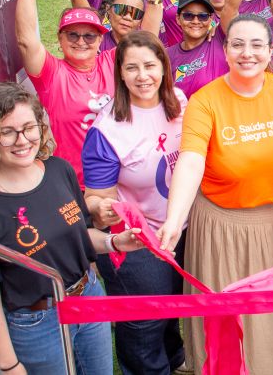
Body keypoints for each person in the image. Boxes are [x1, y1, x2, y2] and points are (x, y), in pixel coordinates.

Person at [157, 15, 273, 374]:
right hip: (223, 227)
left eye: (256, 45)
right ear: (225, 49)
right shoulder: (205, 100)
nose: (246, 53)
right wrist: (174, 220)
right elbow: (191, 161)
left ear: (270, 51)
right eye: (237, 44)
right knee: (229, 318)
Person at [0, 82, 143, 375]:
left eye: (29, 127)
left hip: (89, 298)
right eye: (7, 132)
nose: (22, 140)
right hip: (37, 323)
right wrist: (9, 365)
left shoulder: (59, 170)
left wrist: (114, 242)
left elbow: (81, 236)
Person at [14, 0, 163, 187]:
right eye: (73, 34)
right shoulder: (52, 73)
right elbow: (26, 41)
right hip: (75, 185)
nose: (81, 41)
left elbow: (147, 40)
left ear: (100, 39)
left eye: (90, 35)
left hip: (122, 179)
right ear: (59, 39)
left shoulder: (112, 61)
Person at [82, 31, 188, 375]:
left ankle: (175, 361)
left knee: (172, 306)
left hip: (182, 229)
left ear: (164, 67)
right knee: (144, 322)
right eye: (132, 68)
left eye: (149, 65)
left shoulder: (180, 102)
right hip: (137, 242)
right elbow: (96, 197)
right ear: (120, 74)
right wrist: (100, 207)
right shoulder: (108, 130)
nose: (142, 76)